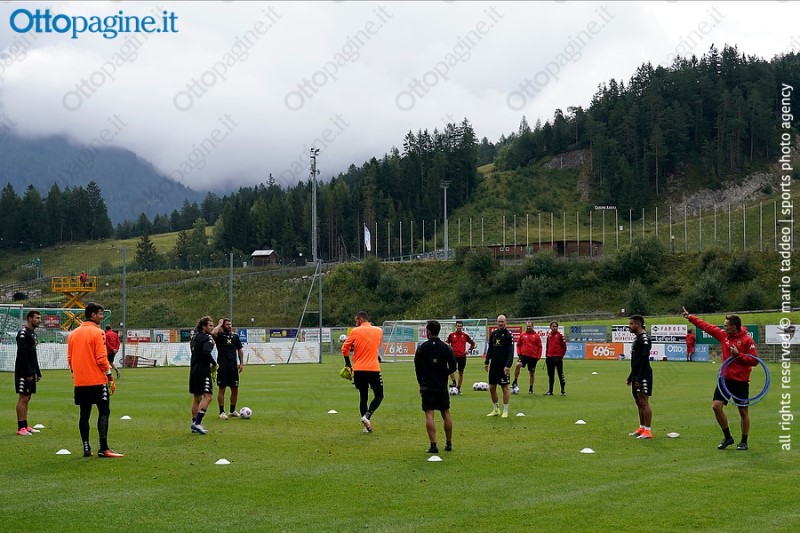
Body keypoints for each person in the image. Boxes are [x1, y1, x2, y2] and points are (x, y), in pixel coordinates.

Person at [681, 307, 758, 450]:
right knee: (716, 407)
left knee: (743, 412)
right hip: (725, 379)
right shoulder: (724, 335)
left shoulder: (747, 340)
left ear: (734, 327)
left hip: (741, 381)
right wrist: (690, 317)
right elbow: (707, 327)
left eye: (726, 325)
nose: (724, 327)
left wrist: (738, 355)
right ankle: (728, 437)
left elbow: (754, 361)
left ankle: (744, 441)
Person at [66, 302, 123, 458]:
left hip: (80, 382)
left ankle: (86, 448)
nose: (102, 317)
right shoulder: (98, 333)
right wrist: (110, 376)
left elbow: (70, 360)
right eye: (100, 314)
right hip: (97, 380)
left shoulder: (73, 334)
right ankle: (103, 448)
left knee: (84, 414)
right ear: (92, 315)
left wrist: (77, 375)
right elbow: (101, 358)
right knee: (104, 411)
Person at [414, 320, 457, 453]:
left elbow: (417, 368)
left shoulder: (422, 347)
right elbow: (453, 366)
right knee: (446, 413)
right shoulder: (446, 347)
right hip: (441, 386)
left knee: (429, 414)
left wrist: (421, 383)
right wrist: (444, 373)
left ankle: (433, 445)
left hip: (427, 387)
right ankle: (448, 443)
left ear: (429, 331)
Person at [342, 311, 384, 433]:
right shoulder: (379, 331)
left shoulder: (355, 331)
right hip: (373, 368)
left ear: (360, 319)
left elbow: (344, 349)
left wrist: (348, 364)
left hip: (359, 369)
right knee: (379, 395)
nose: (355, 323)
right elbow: (375, 347)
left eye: (356, 321)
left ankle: (366, 427)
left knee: (363, 397)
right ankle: (367, 416)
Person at [15, 310, 42, 436]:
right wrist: (27, 373)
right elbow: (23, 355)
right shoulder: (23, 334)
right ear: (30, 319)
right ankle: (20, 427)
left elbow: (33, 355)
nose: (39, 320)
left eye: (39, 318)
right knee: (23, 398)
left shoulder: (33, 334)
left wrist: (37, 371)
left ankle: (25, 425)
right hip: (23, 371)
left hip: (31, 370)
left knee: (28, 397)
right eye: (37, 318)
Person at [626, 315, 653, 440]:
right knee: (638, 402)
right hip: (636, 375)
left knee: (644, 402)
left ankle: (648, 431)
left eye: (631, 324)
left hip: (644, 375)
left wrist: (638, 378)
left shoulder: (644, 339)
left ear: (638, 324)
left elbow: (643, 360)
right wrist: (631, 376)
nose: (629, 326)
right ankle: (642, 428)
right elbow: (635, 361)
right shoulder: (637, 339)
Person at [212, 318, 244, 420]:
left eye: (230, 324)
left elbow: (240, 350)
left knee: (235, 389)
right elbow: (213, 333)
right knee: (222, 389)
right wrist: (219, 324)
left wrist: (241, 363)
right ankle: (222, 412)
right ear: (223, 326)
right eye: (227, 324)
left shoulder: (235, 336)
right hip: (222, 366)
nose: (229, 326)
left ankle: (232, 410)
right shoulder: (219, 336)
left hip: (233, 367)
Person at [189, 316, 217, 435]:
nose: (212, 327)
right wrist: (214, 363)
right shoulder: (207, 338)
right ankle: (197, 423)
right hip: (203, 371)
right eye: (210, 325)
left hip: (194, 370)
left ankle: (194, 424)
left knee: (197, 398)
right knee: (208, 396)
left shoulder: (194, 338)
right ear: (203, 326)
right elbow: (206, 352)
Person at [484, 314, 514, 418]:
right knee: (492, 387)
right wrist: (486, 362)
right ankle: (496, 409)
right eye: (499, 321)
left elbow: (511, 352)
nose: (500, 323)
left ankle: (505, 410)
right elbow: (490, 349)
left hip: (503, 366)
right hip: (494, 365)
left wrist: (508, 365)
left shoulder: (508, 335)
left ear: (506, 322)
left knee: (504, 387)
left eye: (502, 321)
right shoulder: (493, 334)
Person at [445, 320, 476, 394]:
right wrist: (449, 349)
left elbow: (472, 343)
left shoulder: (465, 335)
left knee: (461, 372)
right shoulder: (451, 335)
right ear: (455, 326)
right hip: (453, 356)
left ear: (462, 327)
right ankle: (454, 382)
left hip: (462, 356)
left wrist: (469, 350)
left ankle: (458, 388)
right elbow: (446, 343)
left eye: (460, 326)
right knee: (451, 370)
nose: (459, 327)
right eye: (458, 326)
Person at [513, 321, 542, 394]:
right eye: (527, 326)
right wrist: (519, 353)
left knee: (532, 373)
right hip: (523, 355)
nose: (528, 327)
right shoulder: (523, 335)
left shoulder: (536, 336)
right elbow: (518, 344)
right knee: (518, 365)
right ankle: (515, 381)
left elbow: (540, 347)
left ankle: (531, 388)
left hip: (533, 357)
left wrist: (538, 356)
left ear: (532, 327)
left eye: (530, 326)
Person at [544, 321, 567, 396]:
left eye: (556, 326)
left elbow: (564, 347)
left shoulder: (560, 335)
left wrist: (561, 356)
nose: (554, 328)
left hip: (557, 357)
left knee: (560, 374)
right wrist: (547, 355)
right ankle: (550, 391)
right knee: (551, 375)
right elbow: (547, 346)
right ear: (550, 327)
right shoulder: (549, 335)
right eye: (553, 326)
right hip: (549, 357)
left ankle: (563, 390)